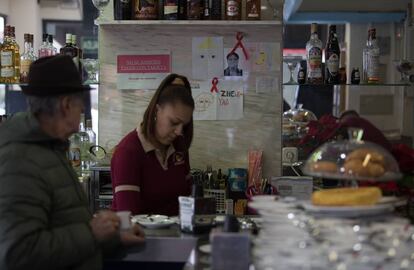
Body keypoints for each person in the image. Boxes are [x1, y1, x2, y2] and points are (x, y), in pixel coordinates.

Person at [0, 55, 145, 270]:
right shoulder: (20, 160)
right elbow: (18, 254)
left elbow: (64, 227)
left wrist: (113, 237)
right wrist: (92, 232)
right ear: (66, 105)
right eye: (81, 105)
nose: (82, 113)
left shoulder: (50, 148)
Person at [111, 73, 195, 216]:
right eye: (174, 123)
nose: (179, 132)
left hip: (172, 234)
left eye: (184, 125)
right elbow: (128, 218)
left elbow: (186, 199)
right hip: (138, 235)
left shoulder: (179, 146)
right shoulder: (129, 151)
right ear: (157, 110)